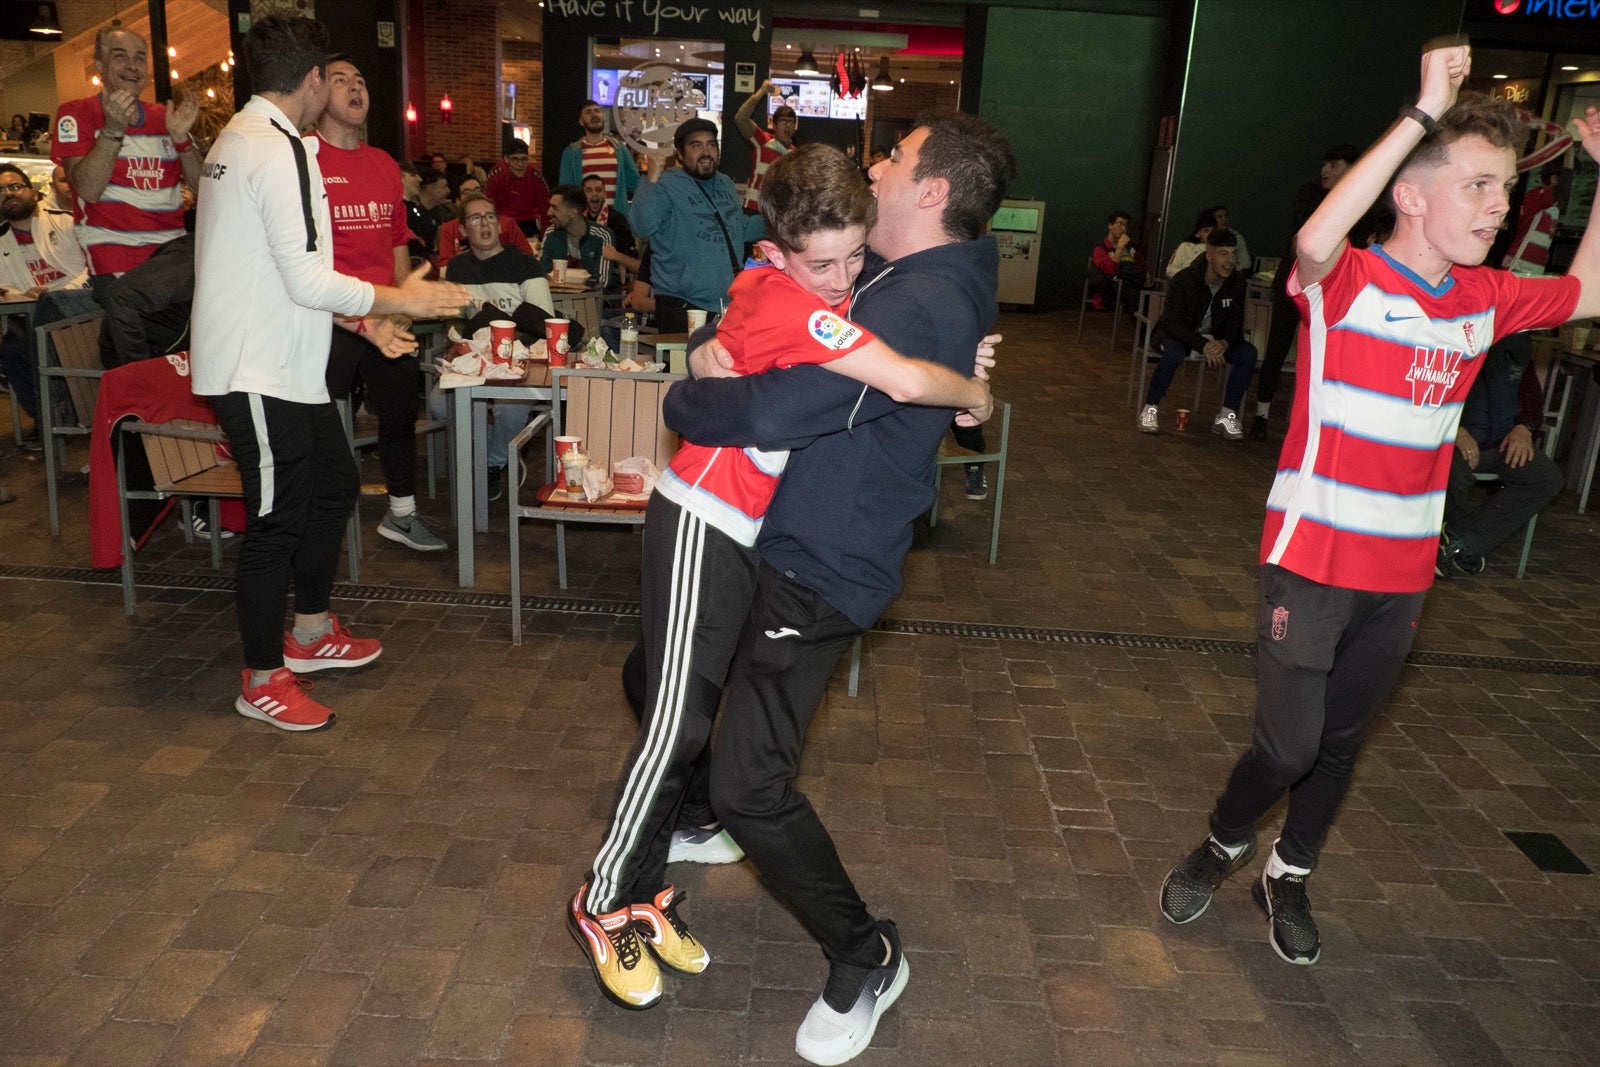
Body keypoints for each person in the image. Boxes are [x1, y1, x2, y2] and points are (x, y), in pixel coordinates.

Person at [1157, 46, 1599, 969]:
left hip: (1403, 570)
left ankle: (1291, 870)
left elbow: (1589, 291)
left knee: (1345, 739)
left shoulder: (1483, 298)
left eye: (1505, 188)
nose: (1499, 206)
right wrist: (1420, 111)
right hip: (1311, 554)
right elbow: (1315, 243)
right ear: (1410, 194)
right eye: (1479, 185)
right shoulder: (1350, 284)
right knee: (1288, 745)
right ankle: (1225, 840)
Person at [568, 143, 994, 1017]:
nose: (841, 277)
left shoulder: (869, 281)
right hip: (707, 515)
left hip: (757, 533)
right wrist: (970, 392)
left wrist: (966, 381)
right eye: (822, 261)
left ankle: (645, 880)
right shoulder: (805, 289)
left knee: (674, 703)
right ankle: (608, 898)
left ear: (931, 191)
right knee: (680, 717)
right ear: (779, 245)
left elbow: (794, 349)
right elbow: (876, 375)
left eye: (851, 258)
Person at [665, 113, 1016, 1066]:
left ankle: (868, 952)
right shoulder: (890, 277)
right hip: (776, 539)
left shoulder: (921, 300)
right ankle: (696, 811)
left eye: (897, 156)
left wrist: (680, 394)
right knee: (661, 680)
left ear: (934, 191)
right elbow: (768, 309)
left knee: (752, 784)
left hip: (819, 567)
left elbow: (783, 400)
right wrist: (708, 345)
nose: (877, 161)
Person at [189, 14, 467, 733]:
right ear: (311, 80)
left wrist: (366, 322)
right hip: (257, 367)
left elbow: (281, 274)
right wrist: (396, 298)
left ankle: (309, 632)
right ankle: (261, 676)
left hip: (284, 358)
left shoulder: (247, 138)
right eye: (332, 77)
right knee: (276, 518)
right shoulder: (274, 151)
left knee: (337, 483)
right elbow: (310, 276)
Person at [313, 55, 444, 554]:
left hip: (382, 312)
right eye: (341, 80)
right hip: (329, 316)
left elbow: (396, 246)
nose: (354, 89)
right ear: (318, 91)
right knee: (315, 416)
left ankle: (402, 514)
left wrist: (402, 302)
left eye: (361, 80)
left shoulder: (384, 164)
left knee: (397, 408)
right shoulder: (305, 158)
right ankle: (315, 511)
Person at [51, 26, 200, 283]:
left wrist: (182, 141)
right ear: (100, 65)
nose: (133, 66)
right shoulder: (76, 113)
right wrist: (112, 130)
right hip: (115, 263)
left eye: (140, 58)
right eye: (120, 56)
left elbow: (205, 189)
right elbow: (88, 189)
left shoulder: (165, 117)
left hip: (173, 257)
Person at [1249, 143, 1362, 440]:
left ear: (1352, 168)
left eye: (1334, 165)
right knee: (1277, 348)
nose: (1325, 170)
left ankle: (1316, 423)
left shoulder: (1364, 199)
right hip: (1295, 282)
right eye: (1324, 164)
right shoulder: (1310, 194)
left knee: (1325, 356)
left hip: (1334, 289)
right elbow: (1308, 233)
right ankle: (1261, 414)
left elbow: (1361, 243)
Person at [444, 189, 550, 496]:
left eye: (490, 216)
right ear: (463, 230)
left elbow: (542, 322)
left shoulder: (525, 264)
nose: (486, 223)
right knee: (441, 403)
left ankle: (491, 462)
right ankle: (493, 453)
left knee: (510, 408)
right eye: (476, 218)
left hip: (520, 360)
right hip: (475, 362)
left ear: (500, 225)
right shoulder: (457, 268)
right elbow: (452, 321)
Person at [1438, 333, 1563, 577]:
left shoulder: (1515, 345)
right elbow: (1429, 393)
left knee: (1547, 478)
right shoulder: (1450, 337)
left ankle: (1459, 541)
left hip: (1500, 441)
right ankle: (1454, 543)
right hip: (1451, 439)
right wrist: (1453, 429)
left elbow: (1531, 401)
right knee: (1450, 473)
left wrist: (1524, 427)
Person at [630, 119, 765, 332]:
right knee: (683, 366)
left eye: (711, 144)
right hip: (681, 305)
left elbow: (740, 228)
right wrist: (651, 179)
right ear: (680, 155)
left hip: (726, 305)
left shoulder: (726, 183)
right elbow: (642, 227)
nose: (706, 151)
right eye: (696, 145)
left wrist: (780, 222)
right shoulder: (666, 183)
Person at [0, 162, 88, 450]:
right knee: (13, 349)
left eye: (15, 186)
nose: (8, 193)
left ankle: (76, 414)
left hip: (78, 308)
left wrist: (52, 293)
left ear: (34, 192)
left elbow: (94, 265)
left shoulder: (66, 221)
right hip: (29, 315)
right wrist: (20, 293)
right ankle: (47, 421)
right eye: (0, 190)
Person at [1138, 228, 1255, 439]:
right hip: (1181, 335)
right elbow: (1172, 323)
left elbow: (1236, 321)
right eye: (1223, 254)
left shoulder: (1237, 283)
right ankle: (1150, 408)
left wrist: (1224, 342)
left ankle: (1227, 414)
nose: (1230, 261)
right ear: (1209, 255)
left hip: (1214, 339)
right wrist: (1203, 344)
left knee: (1248, 354)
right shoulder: (1185, 279)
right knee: (1173, 354)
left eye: (1233, 254)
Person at [558, 99, 640, 216]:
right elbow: (565, 191)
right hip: (585, 220)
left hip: (616, 217)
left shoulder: (619, 149)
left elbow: (634, 183)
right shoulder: (571, 153)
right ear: (581, 121)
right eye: (588, 112)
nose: (594, 114)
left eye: (597, 111)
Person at [732, 80, 797, 211]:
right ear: (774, 125)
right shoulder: (762, 140)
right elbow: (740, 119)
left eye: (791, 122)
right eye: (783, 122)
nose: (788, 126)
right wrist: (761, 92)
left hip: (775, 215)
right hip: (753, 209)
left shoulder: (795, 154)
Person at [486, 138, 550, 238]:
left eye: (524, 159)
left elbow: (545, 208)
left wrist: (545, 236)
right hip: (503, 223)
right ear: (506, 159)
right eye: (515, 159)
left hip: (529, 222)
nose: (520, 164)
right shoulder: (496, 174)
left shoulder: (535, 175)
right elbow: (489, 204)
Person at [1088, 209, 1145, 310]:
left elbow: (1142, 264)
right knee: (1135, 295)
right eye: (1120, 224)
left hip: (1133, 282)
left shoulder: (1131, 247)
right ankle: (1142, 325)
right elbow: (1110, 271)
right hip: (1112, 286)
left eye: (1126, 225)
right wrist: (1120, 246)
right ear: (1110, 226)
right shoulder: (1101, 248)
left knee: (1152, 294)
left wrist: (1147, 273)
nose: (1123, 228)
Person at [402, 164, 451, 261]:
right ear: (429, 188)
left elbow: (439, 244)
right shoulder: (404, 209)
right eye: (443, 187)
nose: (448, 191)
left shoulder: (438, 211)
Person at [582, 173, 636, 260]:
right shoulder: (579, 218)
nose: (594, 194)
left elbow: (621, 250)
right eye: (589, 190)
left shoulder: (618, 219)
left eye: (598, 190)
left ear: (605, 194)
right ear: (583, 195)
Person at [1164, 210, 1215, 278]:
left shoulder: (1219, 251)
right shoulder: (1186, 246)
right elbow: (1170, 270)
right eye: (1206, 231)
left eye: (1214, 231)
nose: (1211, 234)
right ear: (1198, 234)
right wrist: (1191, 274)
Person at [1210, 205, 1252, 272]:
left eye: (1226, 216)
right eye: (1219, 217)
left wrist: (1232, 270)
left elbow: (1246, 262)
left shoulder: (1237, 237)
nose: (1224, 219)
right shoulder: (1207, 236)